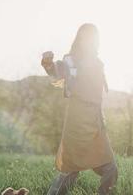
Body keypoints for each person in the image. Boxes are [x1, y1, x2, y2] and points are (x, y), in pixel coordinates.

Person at [41, 23, 118, 195]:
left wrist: (101, 122)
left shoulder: (98, 63)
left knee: (110, 169)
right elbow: (57, 71)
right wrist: (49, 65)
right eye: (86, 36)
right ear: (79, 39)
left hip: (96, 121)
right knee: (71, 170)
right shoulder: (71, 59)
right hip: (76, 120)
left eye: (93, 37)